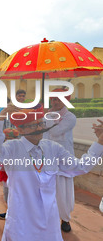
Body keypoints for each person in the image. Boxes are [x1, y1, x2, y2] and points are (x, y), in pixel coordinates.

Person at [0, 104, 103, 241]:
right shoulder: (12, 148)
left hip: (49, 220)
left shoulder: (52, 148)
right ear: (20, 129)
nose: (39, 128)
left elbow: (81, 167)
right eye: (33, 125)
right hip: (23, 218)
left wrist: (100, 142)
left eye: (41, 123)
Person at [43, 88, 77, 232]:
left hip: (63, 160)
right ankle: (48, 217)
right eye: (53, 99)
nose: (55, 102)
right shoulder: (47, 115)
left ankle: (65, 219)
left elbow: (55, 131)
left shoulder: (70, 117)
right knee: (46, 188)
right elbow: (42, 133)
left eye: (58, 99)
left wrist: (47, 117)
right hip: (48, 158)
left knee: (63, 190)